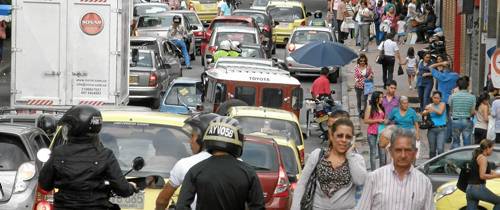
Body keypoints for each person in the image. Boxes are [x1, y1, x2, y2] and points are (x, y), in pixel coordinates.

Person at [38, 105, 137, 210]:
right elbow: (123, 190)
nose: (66, 130)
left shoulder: (58, 152)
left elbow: (44, 184)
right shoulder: (105, 155)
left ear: (75, 128)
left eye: (68, 126)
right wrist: (131, 187)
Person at [176, 116, 265, 210]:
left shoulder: (196, 170)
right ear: (238, 140)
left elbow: (181, 206)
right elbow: (258, 207)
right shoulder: (248, 172)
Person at [292, 118, 367, 210]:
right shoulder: (318, 155)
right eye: (339, 136)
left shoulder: (357, 159)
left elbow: (360, 181)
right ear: (331, 136)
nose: (344, 140)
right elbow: (302, 184)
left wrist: (350, 155)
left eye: (348, 137)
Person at [356, 128, 434, 210]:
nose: (403, 155)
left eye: (407, 150)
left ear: (415, 152)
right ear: (390, 151)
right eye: (398, 150)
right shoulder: (374, 178)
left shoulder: (424, 183)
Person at [155, 113, 220, 210]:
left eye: (193, 136)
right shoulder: (238, 165)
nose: (190, 141)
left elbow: (162, 201)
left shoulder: (185, 164)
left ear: (202, 139)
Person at [466, 139, 500, 209]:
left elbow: (489, 171)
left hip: (470, 189)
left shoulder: (477, 156)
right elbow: (482, 176)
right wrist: (497, 176)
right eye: (491, 149)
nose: (492, 151)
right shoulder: (483, 158)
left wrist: (497, 174)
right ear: (487, 148)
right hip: (478, 188)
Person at [449, 77, 476, 149]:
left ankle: (456, 157)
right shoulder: (472, 97)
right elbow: (473, 111)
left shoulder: (452, 96)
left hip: (455, 120)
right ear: (467, 86)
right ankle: (466, 157)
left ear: (458, 86)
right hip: (467, 120)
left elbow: (451, 109)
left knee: (455, 141)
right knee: (467, 142)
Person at [364, 91, 385, 170]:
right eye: (381, 97)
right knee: (373, 153)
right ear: (376, 98)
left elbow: (382, 119)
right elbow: (366, 120)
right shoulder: (370, 107)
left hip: (381, 132)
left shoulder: (381, 107)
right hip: (372, 133)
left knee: (382, 154)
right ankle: (373, 172)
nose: (382, 99)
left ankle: (382, 171)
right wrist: (377, 120)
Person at [422, 91, 447, 158]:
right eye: (434, 97)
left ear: (440, 98)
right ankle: (432, 166)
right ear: (432, 98)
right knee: (432, 150)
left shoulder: (442, 104)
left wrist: (432, 108)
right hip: (431, 129)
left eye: (438, 98)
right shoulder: (429, 105)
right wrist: (426, 111)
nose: (436, 99)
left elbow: (440, 112)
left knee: (440, 149)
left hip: (441, 129)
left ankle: (440, 165)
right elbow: (423, 113)